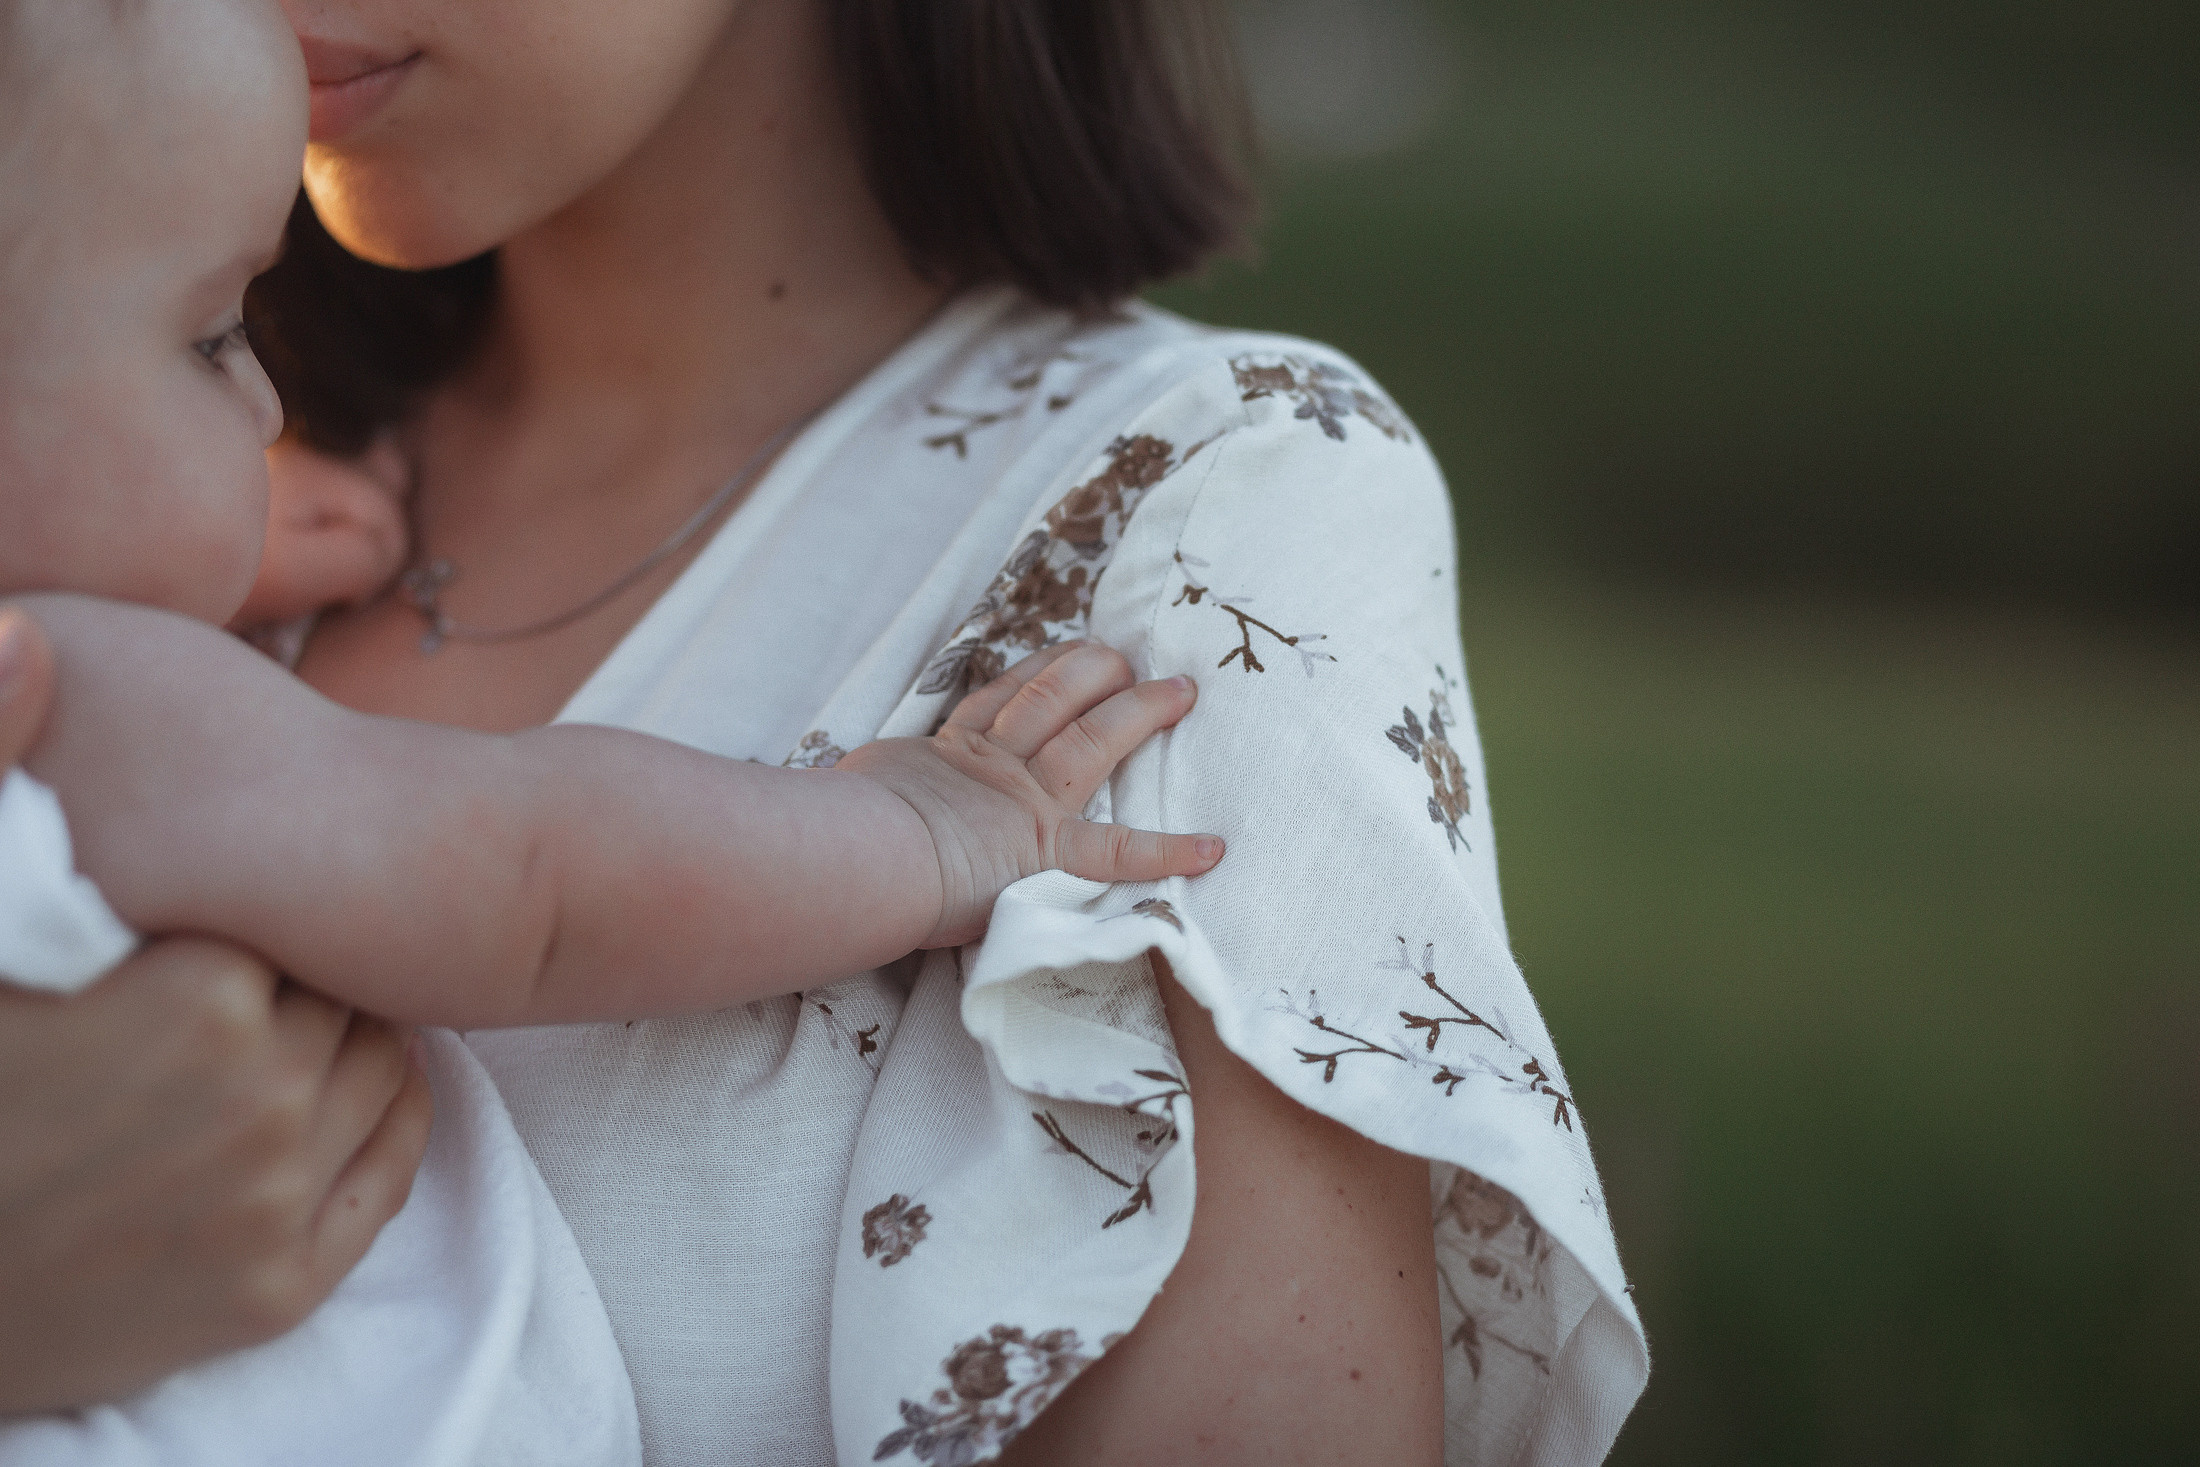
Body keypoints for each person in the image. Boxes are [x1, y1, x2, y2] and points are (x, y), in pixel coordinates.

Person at [8, 0, 1652, 1461]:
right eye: (209, 340)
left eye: (225, 338)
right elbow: (520, 875)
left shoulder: (1189, 509)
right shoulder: (105, 503)